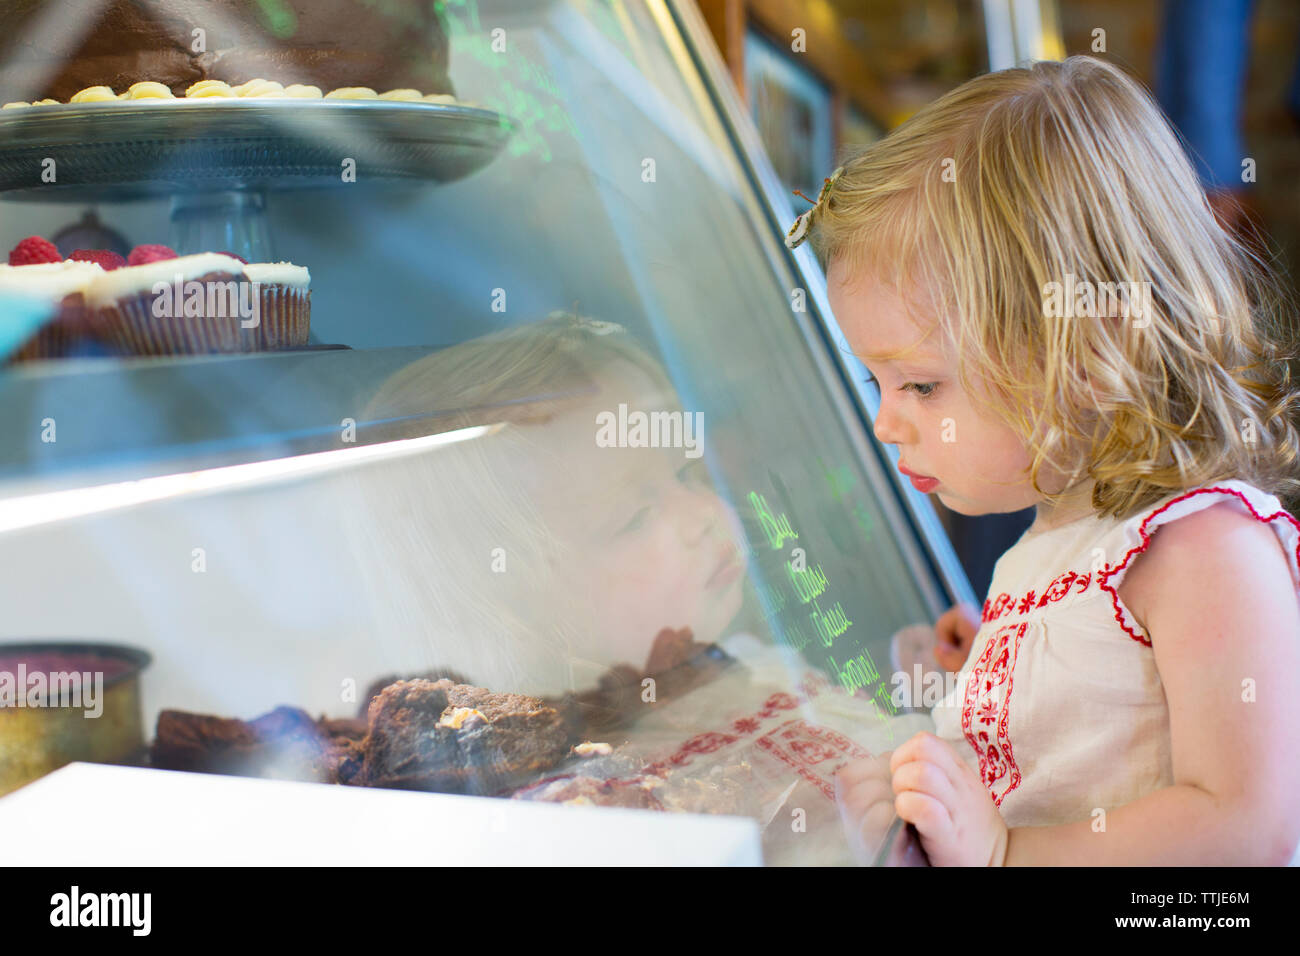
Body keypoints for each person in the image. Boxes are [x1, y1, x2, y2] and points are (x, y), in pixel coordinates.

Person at [791, 55, 1300, 865]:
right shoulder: (1064, 536)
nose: (888, 423)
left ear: (1088, 351)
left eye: (921, 385)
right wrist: (998, 662)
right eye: (875, 381)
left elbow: (1250, 828)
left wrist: (1003, 853)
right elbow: (1103, 719)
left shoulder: (1207, 551)